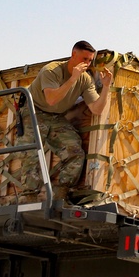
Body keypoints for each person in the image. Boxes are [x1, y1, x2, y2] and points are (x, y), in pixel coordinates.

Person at [17, 40, 113, 201]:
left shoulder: (85, 79)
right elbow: (51, 99)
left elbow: (96, 109)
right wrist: (72, 79)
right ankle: (29, 195)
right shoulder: (52, 70)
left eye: (90, 60)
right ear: (73, 55)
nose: (87, 64)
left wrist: (106, 87)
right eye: (84, 59)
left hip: (56, 117)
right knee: (31, 151)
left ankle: (61, 193)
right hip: (34, 111)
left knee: (75, 151)